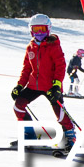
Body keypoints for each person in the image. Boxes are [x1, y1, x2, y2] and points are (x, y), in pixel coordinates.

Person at [11, 14, 75, 150]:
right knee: (18, 106)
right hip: (34, 85)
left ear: (48, 29)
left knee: (60, 114)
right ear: (31, 30)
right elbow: (27, 68)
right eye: (36, 29)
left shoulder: (54, 46)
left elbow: (60, 66)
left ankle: (70, 137)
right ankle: (29, 135)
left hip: (51, 87)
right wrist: (20, 85)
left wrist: (57, 86)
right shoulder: (31, 47)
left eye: (42, 29)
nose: (39, 33)